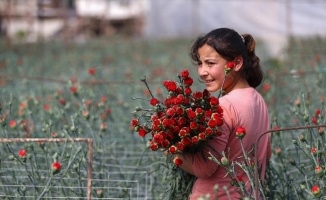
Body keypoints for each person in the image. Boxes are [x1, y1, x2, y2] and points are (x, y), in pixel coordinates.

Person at [178, 28, 271, 199]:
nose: (202, 72)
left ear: (236, 64)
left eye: (210, 63)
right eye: (200, 63)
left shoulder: (223, 106)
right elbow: (265, 154)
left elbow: (205, 168)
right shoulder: (258, 100)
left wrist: (172, 150)